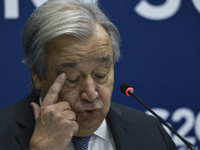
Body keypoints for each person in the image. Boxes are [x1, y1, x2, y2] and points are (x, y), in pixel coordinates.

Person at [0, 0, 177, 149]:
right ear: (37, 74)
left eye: (101, 74)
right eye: (72, 78)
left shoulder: (149, 132)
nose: (91, 94)